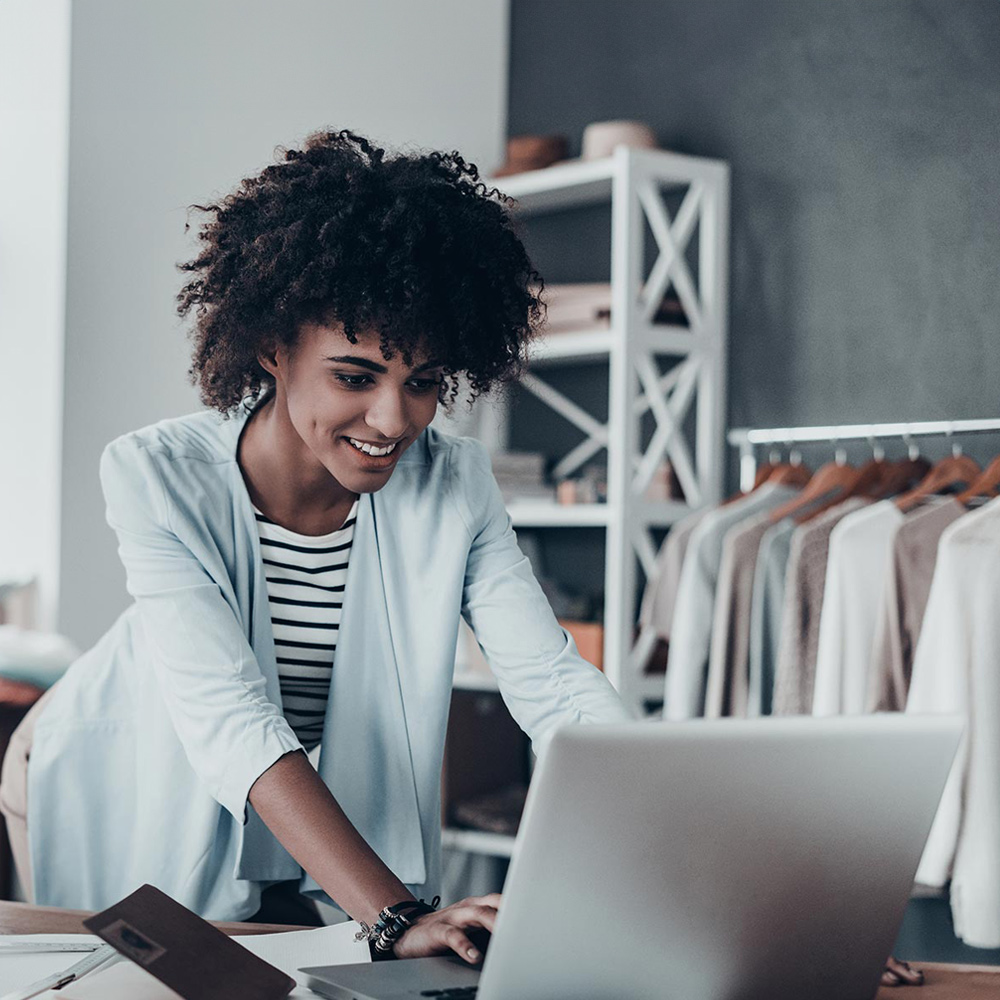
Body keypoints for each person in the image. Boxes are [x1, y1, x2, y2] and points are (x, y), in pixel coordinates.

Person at [0, 129, 632, 962]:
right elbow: (233, 719)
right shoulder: (154, 476)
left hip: (289, 786)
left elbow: (551, 684)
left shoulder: (454, 484)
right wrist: (395, 914)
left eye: (424, 382)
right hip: (114, 762)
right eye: (354, 375)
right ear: (273, 346)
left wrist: (669, 831)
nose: (393, 421)